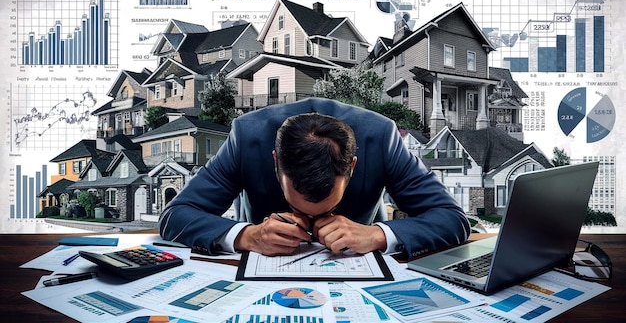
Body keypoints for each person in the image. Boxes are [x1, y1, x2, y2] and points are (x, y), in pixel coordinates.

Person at [159, 97, 470, 259]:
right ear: (275, 162)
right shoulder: (246, 137)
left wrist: (376, 235)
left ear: (352, 166)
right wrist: (247, 236)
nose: (309, 223)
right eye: (301, 208)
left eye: (323, 210)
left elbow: (452, 218)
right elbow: (176, 215)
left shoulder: (382, 138)